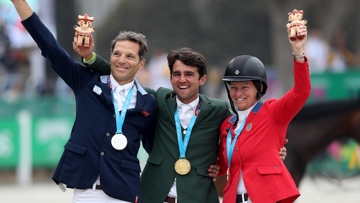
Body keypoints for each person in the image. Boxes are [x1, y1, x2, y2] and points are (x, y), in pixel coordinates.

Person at [75, 47, 288, 202]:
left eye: (189, 74)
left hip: (197, 196)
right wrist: (90, 58)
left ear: (202, 80)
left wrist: (270, 150)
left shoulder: (220, 109)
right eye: (176, 74)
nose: (182, 79)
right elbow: (126, 79)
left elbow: (242, 132)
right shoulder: (159, 99)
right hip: (155, 194)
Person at [10, 1, 158, 203]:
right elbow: (50, 47)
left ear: (141, 64)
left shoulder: (149, 102)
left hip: (125, 192)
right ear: (110, 56)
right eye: (117, 54)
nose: (122, 60)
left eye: (130, 56)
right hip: (85, 191)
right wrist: (18, 2)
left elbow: (157, 149)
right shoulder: (87, 82)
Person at [217, 25, 310, 203]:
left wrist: (298, 52)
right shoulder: (227, 125)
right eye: (233, 88)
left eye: (245, 87)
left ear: (258, 88)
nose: (238, 93)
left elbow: (301, 92)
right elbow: (221, 164)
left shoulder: (272, 112)